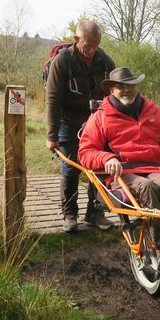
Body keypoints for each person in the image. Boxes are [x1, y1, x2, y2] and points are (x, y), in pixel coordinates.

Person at [78, 67, 160, 271]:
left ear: (137, 86)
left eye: (131, 85)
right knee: (147, 187)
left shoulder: (152, 109)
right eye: (120, 87)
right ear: (111, 90)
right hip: (124, 171)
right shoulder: (101, 116)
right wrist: (106, 157)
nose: (126, 90)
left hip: (156, 166)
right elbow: (85, 152)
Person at [46, 19, 115, 233]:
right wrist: (52, 135)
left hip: (97, 124)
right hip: (69, 122)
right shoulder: (62, 62)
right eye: (87, 46)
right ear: (76, 40)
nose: (92, 51)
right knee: (71, 169)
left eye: (96, 46)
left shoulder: (105, 62)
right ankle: (69, 214)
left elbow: (114, 97)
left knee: (100, 168)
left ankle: (95, 213)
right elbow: (53, 99)